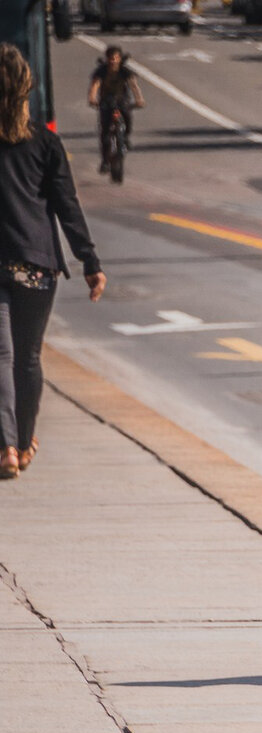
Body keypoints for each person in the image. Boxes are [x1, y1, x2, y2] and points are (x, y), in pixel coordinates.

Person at [0, 44, 106, 479]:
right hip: (35, 264)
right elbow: (66, 205)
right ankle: (23, 444)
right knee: (26, 357)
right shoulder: (45, 142)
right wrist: (89, 260)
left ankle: (5, 445)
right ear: (27, 87)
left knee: (0, 356)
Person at [87, 45, 144, 171]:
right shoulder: (101, 71)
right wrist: (92, 98)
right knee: (105, 132)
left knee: (127, 116)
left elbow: (133, 85)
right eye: (111, 58)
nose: (113, 61)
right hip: (106, 100)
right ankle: (105, 161)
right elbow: (95, 85)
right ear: (107, 59)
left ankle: (126, 137)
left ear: (119, 59)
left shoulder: (125, 71)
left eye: (116, 58)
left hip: (121, 100)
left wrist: (139, 99)